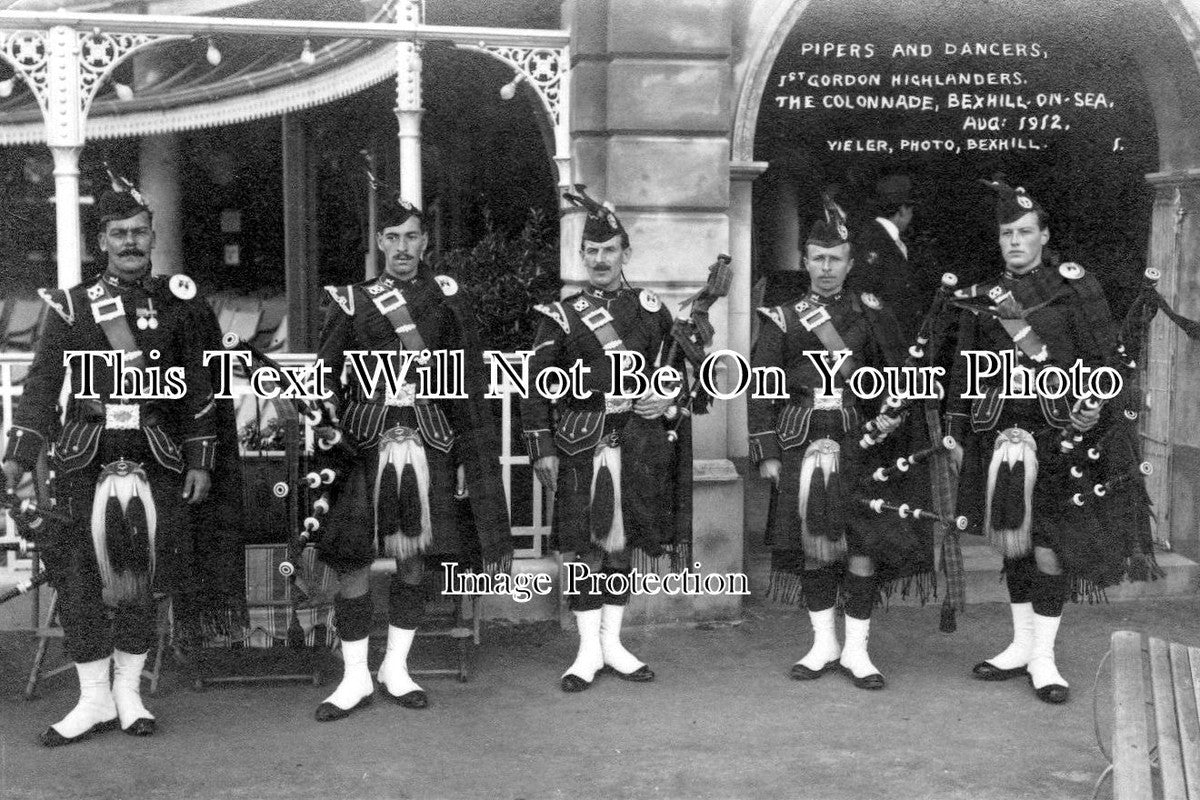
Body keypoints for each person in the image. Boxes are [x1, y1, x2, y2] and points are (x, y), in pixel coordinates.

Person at [1, 186, 238, 746]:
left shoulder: (180, 303)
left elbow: (202, 390)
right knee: (82, 580)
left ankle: (129, 695)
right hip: (86, 458)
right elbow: (40, 389)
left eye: (139, 232)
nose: (130, 243)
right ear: (100, 241)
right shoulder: (71, 306)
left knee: (141, 578)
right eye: (118, 234)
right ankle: (92, 700)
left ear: (153, 236)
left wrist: (201, 458)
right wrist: (17, 458)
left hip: (155, 455)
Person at [944, 176, 1154, 704]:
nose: (1014, 241)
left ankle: (1044, 656)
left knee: (1050, 550)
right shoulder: (980, 299)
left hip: (1059, 431)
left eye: (1024, 231)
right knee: (1014, 541)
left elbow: (1108, 364)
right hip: (998, 433)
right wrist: (956, 435)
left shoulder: (1074, 289)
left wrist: (1094, 405)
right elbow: (962, 377)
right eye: (1006, 234)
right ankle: (1019, 646)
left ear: (1043, 235)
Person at [312, 197, 511, 721]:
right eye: (393, 238)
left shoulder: (448, 299)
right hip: (364, 444)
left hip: (430, 440)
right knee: (352, 557)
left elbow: (468, 386)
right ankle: (354, 677)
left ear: (426, 242)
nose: (403, 248)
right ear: (380, 242)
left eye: (412, 237)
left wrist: (471, 455)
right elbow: (325, 375)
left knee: (414, 560)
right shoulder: (353, 301)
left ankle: (396, 669)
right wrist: (328, 410)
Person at [749, 194, 927, 691]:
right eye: (817, 258)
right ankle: (823, 643)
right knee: (814, 548)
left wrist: (895, 410)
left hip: (861, 442)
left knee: (862, 547)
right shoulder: (781, 319)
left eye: (835, 259)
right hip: (800, 441)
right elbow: (762, 385)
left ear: (850, 264)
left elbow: (901, 376)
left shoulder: (872, 314)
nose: (826, 268)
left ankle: (857, 652)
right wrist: (765, 452)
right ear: (804, 261)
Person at [522, 186, 682, 693]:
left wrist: (668, 400)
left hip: (635, 441)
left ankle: (613, 643)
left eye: (608, 250)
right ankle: (587, 651)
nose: (599, 260)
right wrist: (541, 445)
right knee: (584, 546)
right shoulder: (562, 315)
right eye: (590, 251)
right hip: (578, 443)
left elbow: (677, 377)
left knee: (622, 546)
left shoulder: (654, 313)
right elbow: (535, 386)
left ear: (625, 254)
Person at [850, 174, 925, 336]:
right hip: (885, 334)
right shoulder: (874, 239)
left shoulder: (886, 238)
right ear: (903, 210)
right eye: (911, 209)